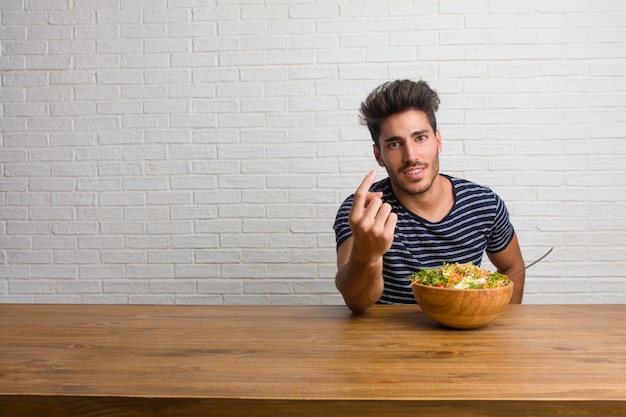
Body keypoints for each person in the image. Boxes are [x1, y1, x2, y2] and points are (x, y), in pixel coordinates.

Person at [333, 79, 525, 313]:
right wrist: (367, 253)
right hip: (385, 344)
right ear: (378, 155)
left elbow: (512, 266)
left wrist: (500, 322)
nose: (411, 156)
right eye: (394, 144)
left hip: (464, 337)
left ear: (438, 141)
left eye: (420, 138)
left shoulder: (484, 204)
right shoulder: (364, 210)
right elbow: (356, 301)